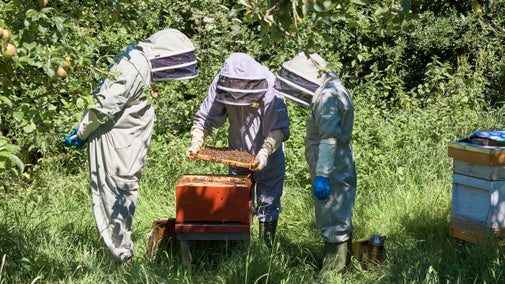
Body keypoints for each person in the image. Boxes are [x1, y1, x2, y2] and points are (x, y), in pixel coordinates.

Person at [63, 29, 198, 263]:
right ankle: (122, 256)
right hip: (115, 142)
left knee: (124, 189)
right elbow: (105, 104)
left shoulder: (140, 62)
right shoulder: (135, 64)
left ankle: (121, 252)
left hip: (126, 141)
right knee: (116, 190)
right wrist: (84, 130)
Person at [185, 52, 290, 246]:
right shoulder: (222, 81)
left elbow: (278, 129)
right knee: (238, 203)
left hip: (269, 154)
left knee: (268, 203)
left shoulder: (269, 85)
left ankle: (265, 252)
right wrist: (196, 141)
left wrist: (265, 152)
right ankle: (241, 251)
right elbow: (206, 117)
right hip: (237, 151)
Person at [275, 52, 357, 274]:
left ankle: (332, 272)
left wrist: (322, 174)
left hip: (330, 164)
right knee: (340, 210)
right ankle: (346, 265)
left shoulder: (327, 98)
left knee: (332, 213)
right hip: (339, 160)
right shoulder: (333, 89)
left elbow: (329, 140)